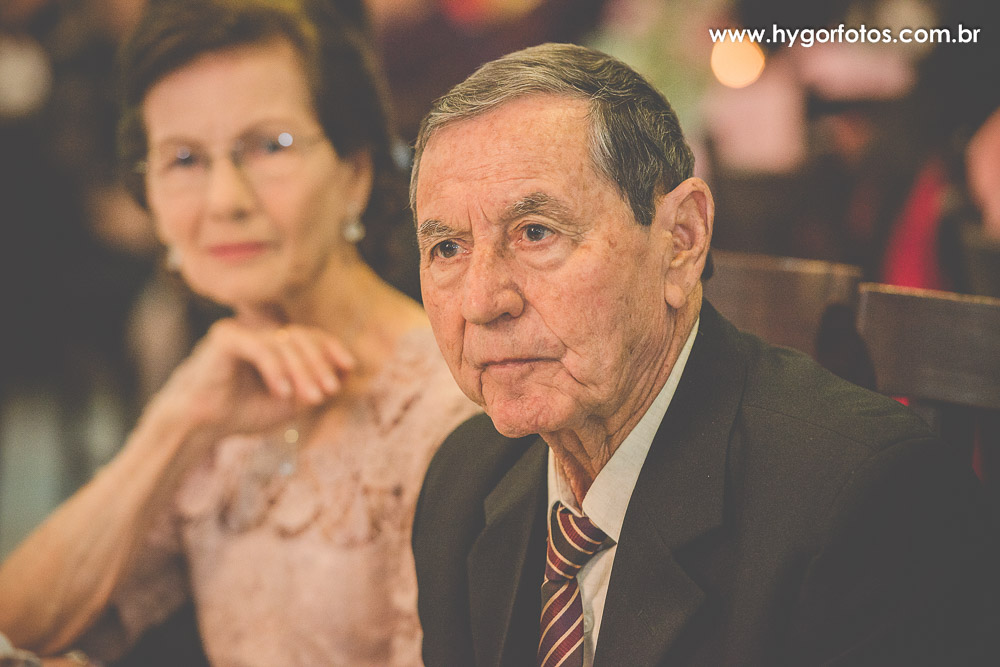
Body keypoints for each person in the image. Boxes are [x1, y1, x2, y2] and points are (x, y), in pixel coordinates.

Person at [409, 43, 1000, 666]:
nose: (482, 301)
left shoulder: (868, 505)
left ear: (681, 240)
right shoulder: (464, 484)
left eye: (536, 233)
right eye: (447, 248)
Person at [0, 0, 477, 664]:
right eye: (183, 159)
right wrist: (177, 425)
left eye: (269, 146)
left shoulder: (450, 410)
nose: (224, 200)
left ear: (355, 173)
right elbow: (20, 628)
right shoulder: (216, 386)